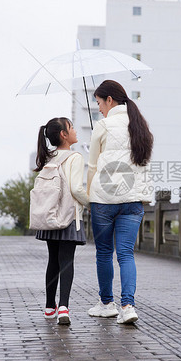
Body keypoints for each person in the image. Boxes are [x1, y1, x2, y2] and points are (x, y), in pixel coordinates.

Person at [87, 80, 153, 324]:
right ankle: (128, 307)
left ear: (110, 100)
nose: (99, 109)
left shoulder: (103, 125)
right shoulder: (141, 126)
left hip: (104, 200)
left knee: (104, 253)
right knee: (126, 254)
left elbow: (92, 165)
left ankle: (107, 304)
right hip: (133, 201)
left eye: (99, 103)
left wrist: (88, 194)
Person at [34, 117, 89, 325]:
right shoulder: (75, 157)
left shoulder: (48, 157)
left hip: (49, 215)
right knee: (67, 260)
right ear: (64, 135)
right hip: (68, 217)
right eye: (72, 127)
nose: (75, 130)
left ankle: (50, 307)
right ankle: (64, 307)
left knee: (53, 260)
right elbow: (76, 189)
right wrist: (91, 203)